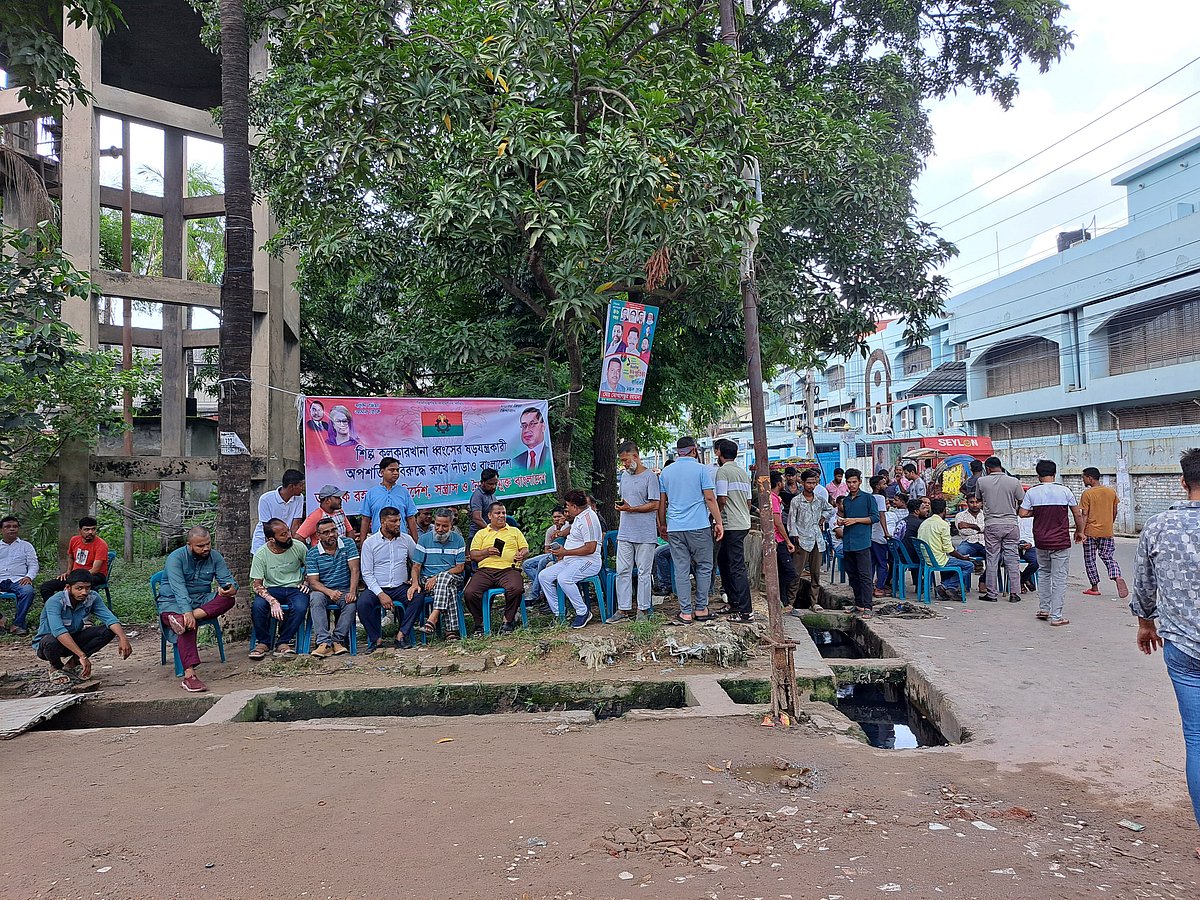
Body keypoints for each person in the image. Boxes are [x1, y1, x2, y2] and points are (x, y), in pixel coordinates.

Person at [1130, 447, 1200, 857]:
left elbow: (1144, 585)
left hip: (1184, 647)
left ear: (1183, 481)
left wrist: (1145, 624)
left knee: (1197, 739)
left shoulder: (1159, 526)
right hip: (1181, 646)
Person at [157, 526, 238, 692]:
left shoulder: (215, 556)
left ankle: (183, 620)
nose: (206, 548)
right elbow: (179, 589)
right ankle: (189, 676)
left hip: (201, 600)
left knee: (228, 600)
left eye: (208, 544)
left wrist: (230, 588)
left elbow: (229, 581)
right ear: (189, 545)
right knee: (186, 624)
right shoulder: (176, 558)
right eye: (200, 546)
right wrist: (186, 612)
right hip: (172, 601)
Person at [657, 436, 724, 625]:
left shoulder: (666, 472)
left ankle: (685, 612)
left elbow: (662, 502)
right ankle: (701, 608)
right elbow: (710, 498)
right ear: (694, 450)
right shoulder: (702, 470)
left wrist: (662, 524)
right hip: (699, 526)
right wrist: (718, 522)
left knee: (681, 569)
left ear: (678, 451)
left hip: (675, 528)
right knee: (704, 566)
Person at [34, 569, 132, 688]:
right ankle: (56, 668)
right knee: (51, 641)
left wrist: (123, 638)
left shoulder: (92, 597)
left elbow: (110, 619)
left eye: (87, 588)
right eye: (79, 588)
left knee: (108, 630)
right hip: (49, 645)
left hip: (74, 638)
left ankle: (72, 665)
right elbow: (58, 631)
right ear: (68, 587)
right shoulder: (55, 601)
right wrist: (82, 655)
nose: (84, 592)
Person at [1019, 459, 1084, 626]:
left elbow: (1023, 513)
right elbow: (1077, 514)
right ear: (1055, 473)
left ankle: (1044, 609)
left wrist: (1037, 513)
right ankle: (1056, 616)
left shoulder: (1032, 492)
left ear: (1038, 475)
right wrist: (1080, 531)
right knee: (1059, 578)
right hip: (1060, 541)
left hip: (1041, 540)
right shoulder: (1065, 491)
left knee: (1044, 574)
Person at [610, 441, 663, 623]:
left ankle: (643, 609)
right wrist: (623, 507)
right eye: (622, 461)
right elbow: (625, 499)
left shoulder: (650, 477)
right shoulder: (625, 476)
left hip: (645, 533)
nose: (624, 464)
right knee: (622, 570)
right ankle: (623, 609)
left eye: (626, 460)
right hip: (625, 531)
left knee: (643, 571)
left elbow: (655, 504)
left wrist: (632, 509)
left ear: (636, 456)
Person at [357, 507, 421, 652]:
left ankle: (401, 635)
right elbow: (366, 573)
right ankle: (376, 639)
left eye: (399, 520)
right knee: (362, 604)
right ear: (382, 522)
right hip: (377, 587)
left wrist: (414, 580)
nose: (398, 524)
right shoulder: (370, 543)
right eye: (393, 521)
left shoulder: (406, 539)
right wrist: (380, 594)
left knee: (417, 597)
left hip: (400, 586)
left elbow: (417, 562)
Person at [539, 490, 603, 628]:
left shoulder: (588, 520)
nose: (566, 509)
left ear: (574, 506)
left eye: (567, 505)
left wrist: (565, 552)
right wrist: (561, 533)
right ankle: (560, 613)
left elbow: (590, 548)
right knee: (544, 576)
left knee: (564, 578)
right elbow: (574, 528)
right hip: (571, 560)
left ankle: (583, 612)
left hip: (589, 561)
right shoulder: (580, 515)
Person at [248, 518, 311, 659]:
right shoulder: (261, 554)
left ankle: (283, 642)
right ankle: (263, 643)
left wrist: (306, 582)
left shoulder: (298, 546)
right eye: (283, 534)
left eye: (288, 531)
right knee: (258, 606)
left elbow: (311, 567)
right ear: (271, 539)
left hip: (295, 587)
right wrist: (272, 601)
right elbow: (257, 584)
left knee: (300, 606)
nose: (289, 536)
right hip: (271, 588)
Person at [464, 502, 529, 634]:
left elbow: (525, 549)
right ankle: (480, 623)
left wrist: (521, 554)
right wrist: (486, 551)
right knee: (470, 593)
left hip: (509, 570)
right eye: (497, 513)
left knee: (516, 588)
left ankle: (508, 621)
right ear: (489, 516)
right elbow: (473, 555)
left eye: (503, 513)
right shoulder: (481, 533)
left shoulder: (514, 531)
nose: (501, 515)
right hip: (485, 571)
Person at [710, 439, 753, 622]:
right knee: (725, 562)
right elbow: (749, 502)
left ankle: (745, 611)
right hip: (741, 522)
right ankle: (734, 603)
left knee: (735, 567)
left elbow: (721, 499)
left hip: (730, 524)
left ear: (719, 452)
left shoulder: (723, 471)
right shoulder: (742, 473)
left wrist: (715, 519)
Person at [305, 517, 360, 658]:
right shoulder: (313, 553)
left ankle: (337, 640)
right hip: (323, 590)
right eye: (326, 532)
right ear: (318, 535)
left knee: (351, 603)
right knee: (315, 598)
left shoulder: (348, 544)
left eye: (334, 530)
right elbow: (313, 582)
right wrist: (329, 592)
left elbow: (354, 570)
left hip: (344, 588)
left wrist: (352, 592)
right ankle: (324, 643)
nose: (331, 535)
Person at [411, 508, 468, 639]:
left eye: (444, 526)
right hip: (428, 581)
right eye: (437, 525)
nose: (440, 529)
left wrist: (437, 577)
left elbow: (460, 567)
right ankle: (451, 632)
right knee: (450, 590)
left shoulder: (458, 540)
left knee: (445, 578)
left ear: (451, 526)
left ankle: (433, 617)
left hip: (453, 577)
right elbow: (416, 566)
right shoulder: (424, 539)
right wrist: (415, 583)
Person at [975, 455, 1024, 603]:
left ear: (988, 468)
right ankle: (1014, 593)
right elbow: (1022, 500)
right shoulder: (1014, 481)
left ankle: (992, 594)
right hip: (1011, 524)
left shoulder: (981, 481)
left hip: (992, 524)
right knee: (1012, 559)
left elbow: (978, 499)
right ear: (1000, 466)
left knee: (992, 559)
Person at [786, 468, 833, 613]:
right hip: (802, 540)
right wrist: (795, 536)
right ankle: (790, 602)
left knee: (815, 574)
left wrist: (823, 518)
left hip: (817, 540)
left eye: (814, 483)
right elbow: (791, 521)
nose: (811, 486)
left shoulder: (819, 500)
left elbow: (831, 509)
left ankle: (814, 602)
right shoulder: (796, 501)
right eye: (809, 483)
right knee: (796, 573)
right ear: (803, 483)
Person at [1080, 466, 1127, 598]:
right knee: (1107, 556)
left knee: (1090, 559)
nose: (1083, 480)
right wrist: (1109, 524)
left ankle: (1094, 587)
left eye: (1084, 477)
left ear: (1090, 478)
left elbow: (1084, 514)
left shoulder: (1087, 494)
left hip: (1090, 531)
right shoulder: (1111, 492)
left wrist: (1081, 532)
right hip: (1107, 531)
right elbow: (1115, 510)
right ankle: (1117, 576)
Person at [837, 468, 878, 615]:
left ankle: (868, 607)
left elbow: (874, 517)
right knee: (853, 575)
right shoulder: (846, 500)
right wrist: (842, 521)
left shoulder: (868, 498)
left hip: (862, 542)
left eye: (854, 482)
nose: (851, 485)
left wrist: (855, 520)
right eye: (849, 482)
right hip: (848, 542)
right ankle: (859, 604)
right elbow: (846, 517)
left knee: (865, 575)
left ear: (860, 482)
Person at [917, 498, 976, 601]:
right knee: (969, 565)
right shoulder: (943, 524)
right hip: (938, 560)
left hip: (926, 559)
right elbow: (949, 550)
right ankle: (946, 586)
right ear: (944, 510)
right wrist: (962, 557)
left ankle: (949, 588)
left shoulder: (924, 523)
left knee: (953, 561)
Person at [39, 516, 109, 601]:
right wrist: (68, 572)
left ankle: (78, 607)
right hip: (75, 574)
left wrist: (74, 577)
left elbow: (95, 569)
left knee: (77, 588)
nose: (90, 532)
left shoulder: (101, 545)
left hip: (95, 575)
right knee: (46, 587)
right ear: (80, 531)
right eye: (86, 530)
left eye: (93, 529)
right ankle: (53, 606)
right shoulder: (74, 540)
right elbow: (71, 557)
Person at [359, 457, 419, 542]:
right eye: (392, 470)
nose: (396, 473)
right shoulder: (371, 493)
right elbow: (365, 520)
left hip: (400, 539)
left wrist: (415, 542)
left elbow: (411, 518)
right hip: (378, 540)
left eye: (397, 470)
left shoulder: (404, 492)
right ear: (382, 472)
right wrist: (363, 543)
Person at [523, 507, 570, 608]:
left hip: (564, 554)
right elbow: (546, 549)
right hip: (551, 554)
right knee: (527, 564)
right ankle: (541, 590)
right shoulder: (550, 530)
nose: (557, 519)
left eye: (559, 516)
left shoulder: (567, 526)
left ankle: (535, 594)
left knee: (542, 563)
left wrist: (560, 530)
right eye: (554, 517)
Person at [0, 515, 39, 635]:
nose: (12, 529)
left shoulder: (26, 546)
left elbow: (33, 564)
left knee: (28, 591)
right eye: (7, 527)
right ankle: (0, 619)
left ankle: (18, 624)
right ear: (1, 530)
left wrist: (29, 577)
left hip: (18, 580)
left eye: (15, 526)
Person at [252, 469, 306, 554]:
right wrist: (272, 550)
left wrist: (295, 547)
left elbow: (295, 525)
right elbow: (267, 528)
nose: (303, 488)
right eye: (301, 485)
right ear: (291, 486)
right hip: (264, 542)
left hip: (285, 541)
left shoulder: (299, 498)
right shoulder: (265, 499)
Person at [768, 472, 797, 605]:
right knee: (790, 572)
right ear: (779, 483)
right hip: (778, 540)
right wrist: (788, 541)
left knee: (783, 571)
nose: (785, 482)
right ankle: (780, 597)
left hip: (777, 539)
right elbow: (778, 522)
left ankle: (783, 602)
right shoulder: (773, 498)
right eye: (783, 480)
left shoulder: (774, 498)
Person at [868, 474, 892, 597]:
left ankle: (869, 586)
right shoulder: (880, 498)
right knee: (882, 563)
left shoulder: (869, 497)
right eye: (883, 484)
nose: (886, 486)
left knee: (871, 562)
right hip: (878, 535)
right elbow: (882, 515)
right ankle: (879, 587)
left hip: (869, 535)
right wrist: (886, 532)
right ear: (878, 486)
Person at [512, 407, 551, 472]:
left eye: (532, 424)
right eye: (524, 425)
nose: (527, 430)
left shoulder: (550, 455)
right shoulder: (516, 461)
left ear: (543, 427)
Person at [468, 468, 501, 545]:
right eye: (490, 484)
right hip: (477, 537)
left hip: (491, 535)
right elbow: (477, 518)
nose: (493, 486)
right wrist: (491, 531)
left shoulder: (491, 493)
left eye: (495, 484)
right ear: (482, 482)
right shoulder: (478, 496)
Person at [1017, 515, 1039, 592]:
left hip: (1031, 545)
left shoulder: (1036, 519)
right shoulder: (1012, 518)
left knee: (1036, 562)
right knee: (1008, 561)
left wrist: (1031, 544)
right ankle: (1026, 580)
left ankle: (1021, 580)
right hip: (1014, 545)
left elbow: (1039, 536)